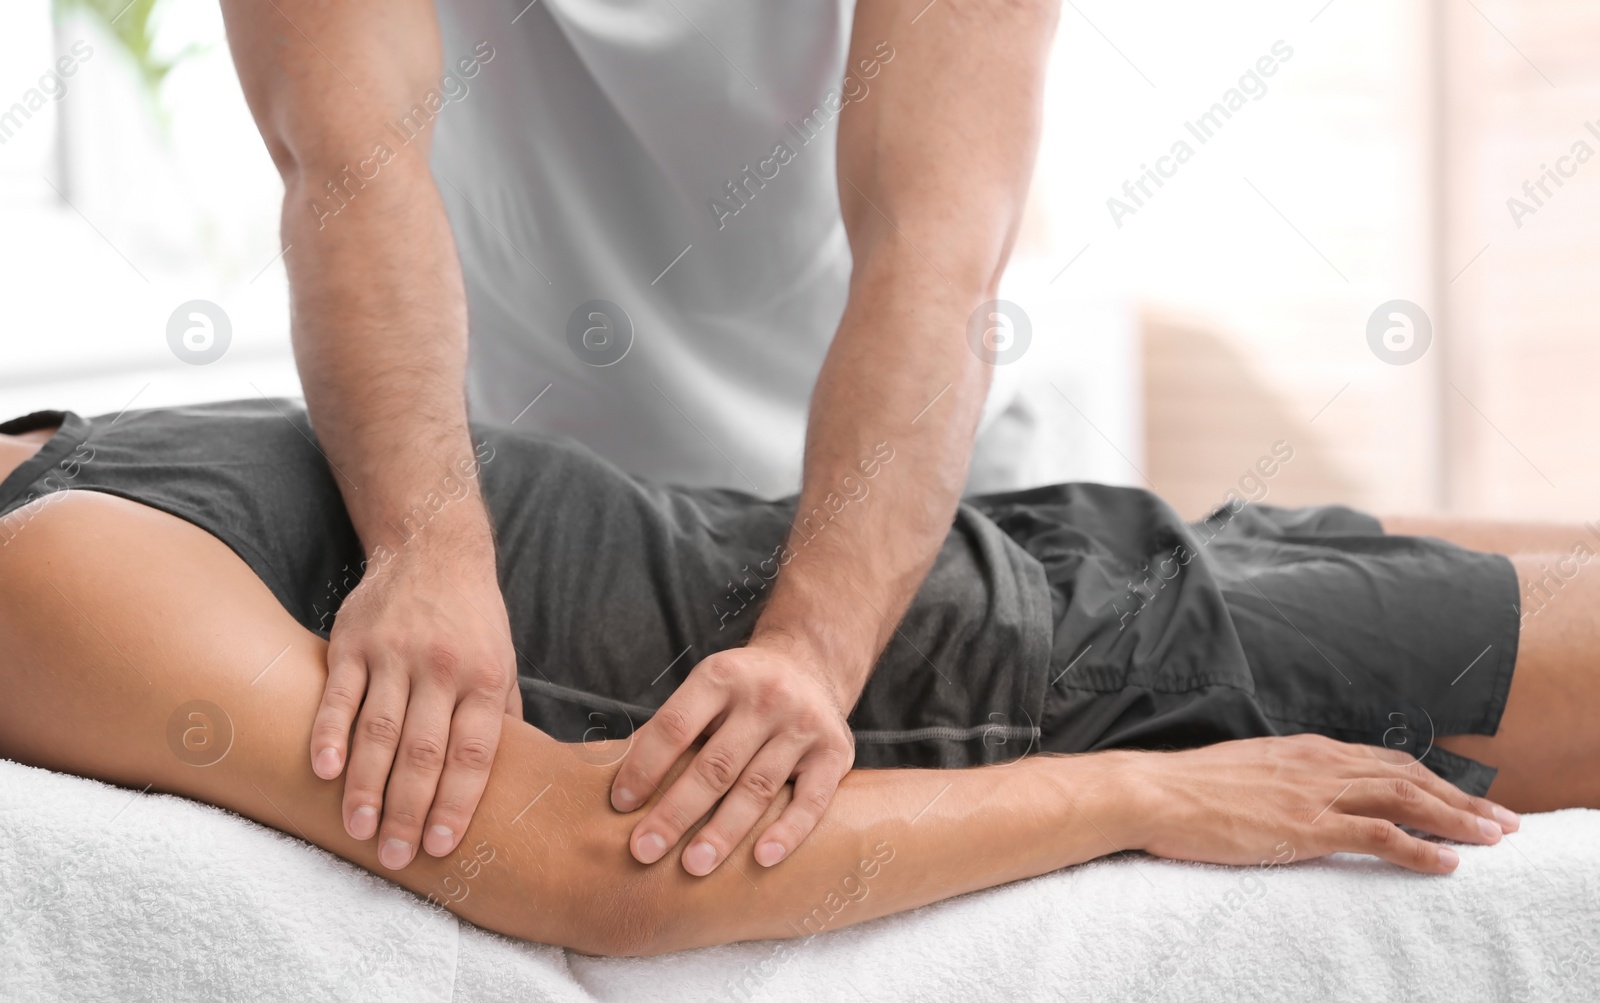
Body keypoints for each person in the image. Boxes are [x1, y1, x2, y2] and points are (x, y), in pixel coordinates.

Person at [8, 401, 1599, 956]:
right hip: (1075, 672)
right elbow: (588, 854)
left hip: (1040, 558)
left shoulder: (62, 457)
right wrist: (1142, 790)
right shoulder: (47, 575)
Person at [217, 0, 1062, 875]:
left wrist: (814, 650)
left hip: (901, 492)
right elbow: (352, 168)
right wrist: (421, 550)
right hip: (535, 500)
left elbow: (934, 259)